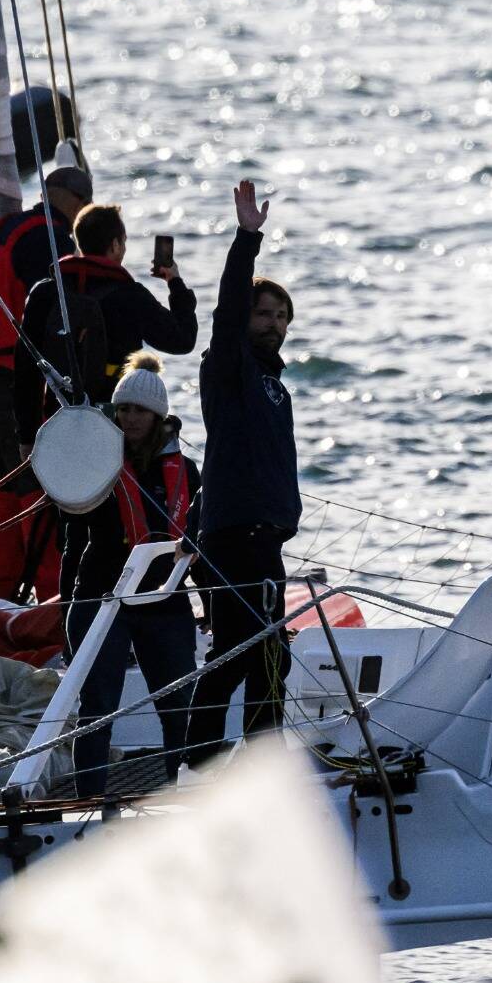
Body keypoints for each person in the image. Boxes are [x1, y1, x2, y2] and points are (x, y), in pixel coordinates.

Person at [9, 200, 200, 602]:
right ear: (116, 245)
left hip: (64, 423)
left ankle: (71, 624)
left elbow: (25, 370)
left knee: (74, 529)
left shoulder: (47, 291)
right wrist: (174, 283)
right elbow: (183, 339)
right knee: (118, 526)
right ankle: (132, 607)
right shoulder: (128, 294)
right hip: (119, 429)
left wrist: (27, 435)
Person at [183, 180, 301, 764]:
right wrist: (246, 239)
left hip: (263, 539)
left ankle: (257, 762)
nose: (273, 322)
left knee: (264, 653)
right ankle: (203, 762)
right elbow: (229, 306)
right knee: (243, 653)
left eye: (282, 316)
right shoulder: (229, 367)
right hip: (233, 537)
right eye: (264, 312)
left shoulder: (273, 385)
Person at [58, 354, 200, 797]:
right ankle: (89, 805)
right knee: (96, 709)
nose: (129, 417)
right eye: (122, 409)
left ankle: (183, 799)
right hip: (103, 597)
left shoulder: (187, 471)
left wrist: (211, 607)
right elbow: (71, 543)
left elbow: (197, 551)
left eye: (138, 410)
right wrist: (68, 610)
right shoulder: (95, 465)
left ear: (158, 416)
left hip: (165, 599)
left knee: (179, 708)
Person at [0, 163, 91, 601]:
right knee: (38, 490)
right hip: (12, 376)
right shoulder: (50, 238)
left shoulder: (13, 226)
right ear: (77, 202)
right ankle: (49, 596)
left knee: (1, 491)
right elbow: (54, 313)